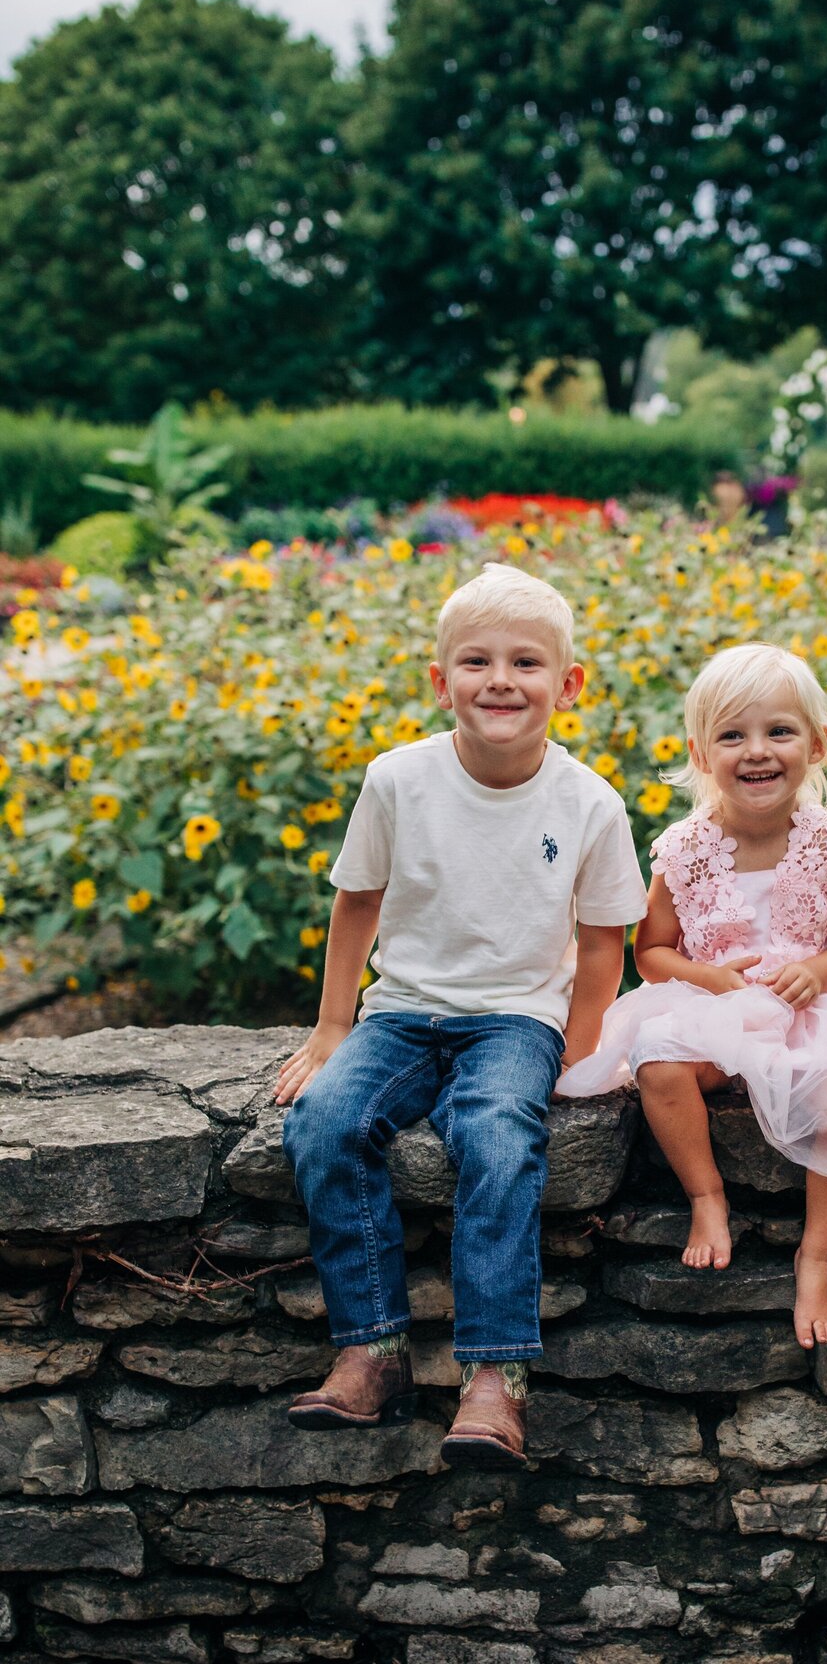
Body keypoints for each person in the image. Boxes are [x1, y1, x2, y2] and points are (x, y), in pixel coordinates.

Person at [276, 564, 647, 1467]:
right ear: (441, 682)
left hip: (518, 1020)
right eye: (475, 661)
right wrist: (332, 1028)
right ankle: (372, 1349)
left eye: (527, 662)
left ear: (569, 685)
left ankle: (496, 1377)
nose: (501, 680)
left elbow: (604, 943)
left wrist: (582, 1041)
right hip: (401, 1013)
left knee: (495, 1133)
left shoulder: (589, 802)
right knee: (324, 1122)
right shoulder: (398, 781)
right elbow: (356, 904)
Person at [557, 643, 827, 1349]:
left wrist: (819, 972)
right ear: (702, 754)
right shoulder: (686, 848)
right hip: (712, 1003)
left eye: (779, 732)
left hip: (808, 1009)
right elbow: (650, 951)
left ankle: (816, 1257)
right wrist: (707, 977)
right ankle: (707, 1197)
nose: (757, 751)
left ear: (817, 744)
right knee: (658, 1064)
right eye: (732, 735)